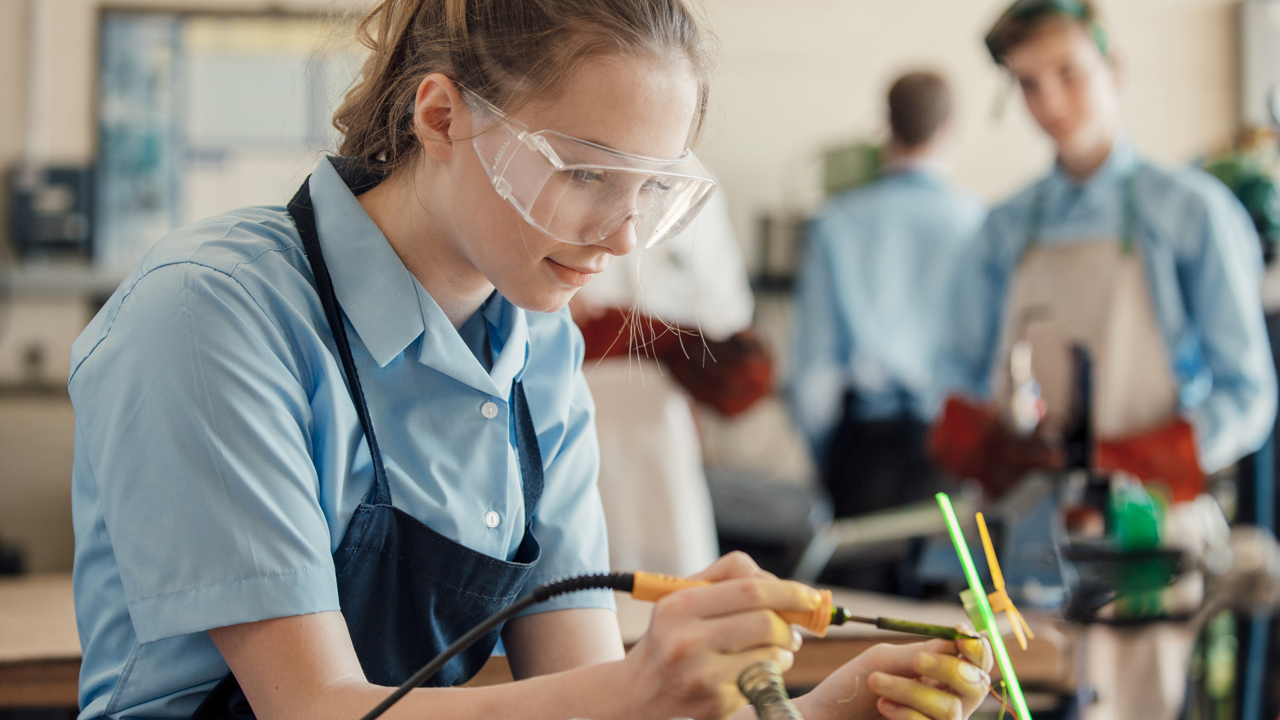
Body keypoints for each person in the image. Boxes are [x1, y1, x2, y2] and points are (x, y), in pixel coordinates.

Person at [68, 1, 994, 719]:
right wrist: (640, 692)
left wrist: (818, 707)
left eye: (651, 191)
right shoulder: (214, 317)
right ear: (440, 117)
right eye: (587, 173)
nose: (623, 237)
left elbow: (581, 695)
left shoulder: (536, 350)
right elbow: (311, 709)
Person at [929, 2, 1277, 718]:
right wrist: (990, 441)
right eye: (1027, 83)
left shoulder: (1192, 213)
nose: (1049, 101)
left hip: (1142, 532)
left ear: (1114, 68)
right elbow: (954, 371)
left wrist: (1149, 454)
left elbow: (1248, 393)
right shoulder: (1004, 228)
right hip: (1025, 530)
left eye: (1068, 74)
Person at [789, 71, 986, 527]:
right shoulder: (980, 226)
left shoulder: (834, 223)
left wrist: (827, 458)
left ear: (887, 127)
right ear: (950, 128)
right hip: (950, 448)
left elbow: (812, 377)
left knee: (855, 595)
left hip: (864, 450)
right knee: (950, 595)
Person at [572, 183, 769, 577]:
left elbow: (731, 347)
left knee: (672, 596)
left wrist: (645, 336)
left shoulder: (696, 188)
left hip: (662, 444)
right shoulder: (561, 164)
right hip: (567, 423)